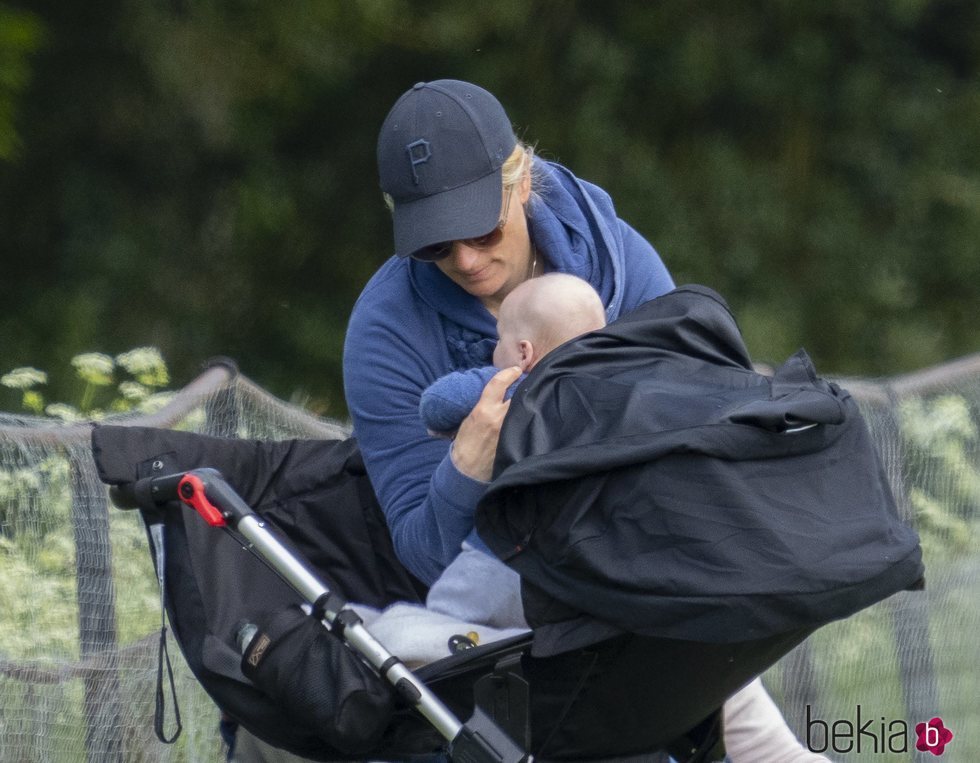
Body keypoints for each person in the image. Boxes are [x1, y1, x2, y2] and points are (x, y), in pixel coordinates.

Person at [343, 79, 827, 762]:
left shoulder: (619, 259)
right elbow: (424, 555)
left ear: (521, 181)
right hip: (506, 619)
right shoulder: (383, 333)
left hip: (650, 580)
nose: (467, 261)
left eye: (481, 230)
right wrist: (465, 466)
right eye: (435, 247)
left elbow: (700, 429)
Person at [419, 273, 606, 436]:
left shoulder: (512, 388)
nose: (495, 346)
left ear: (524, 354)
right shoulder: (606, 387)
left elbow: (436, 402)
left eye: (500, 338)